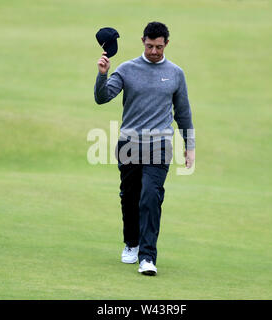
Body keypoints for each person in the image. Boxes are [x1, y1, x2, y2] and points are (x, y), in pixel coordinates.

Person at [94, 21, 195, 276]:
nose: (153, 51)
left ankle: (147, 257)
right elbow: (102, 97)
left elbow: (183, 112)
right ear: (142, 41)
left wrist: (189, 146)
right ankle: (132, 243)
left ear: (166, 44)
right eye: (149, 46)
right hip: (129, 143)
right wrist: (103, 74)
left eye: (158, 47)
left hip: (160, 144)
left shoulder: (175, 73)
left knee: (151, 196)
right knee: (129, 197)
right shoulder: (127, 69)